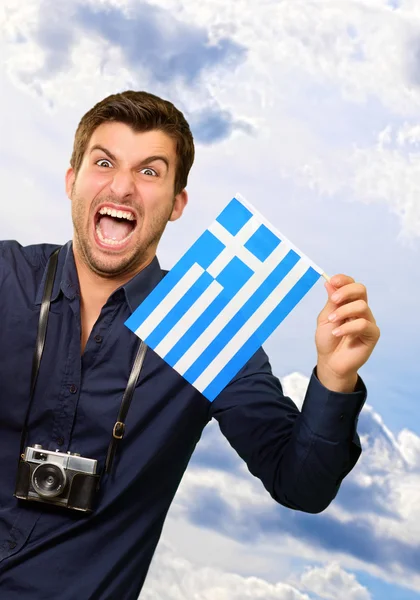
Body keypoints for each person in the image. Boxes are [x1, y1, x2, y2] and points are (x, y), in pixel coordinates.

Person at [0, 90, 380, 599]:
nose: (122, 186)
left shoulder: (204, 322)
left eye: (150, 172)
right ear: (72, 181)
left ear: (177, 203)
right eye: (104, 162)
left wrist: (335, 377)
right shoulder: (7, 278)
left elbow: (302, 484)